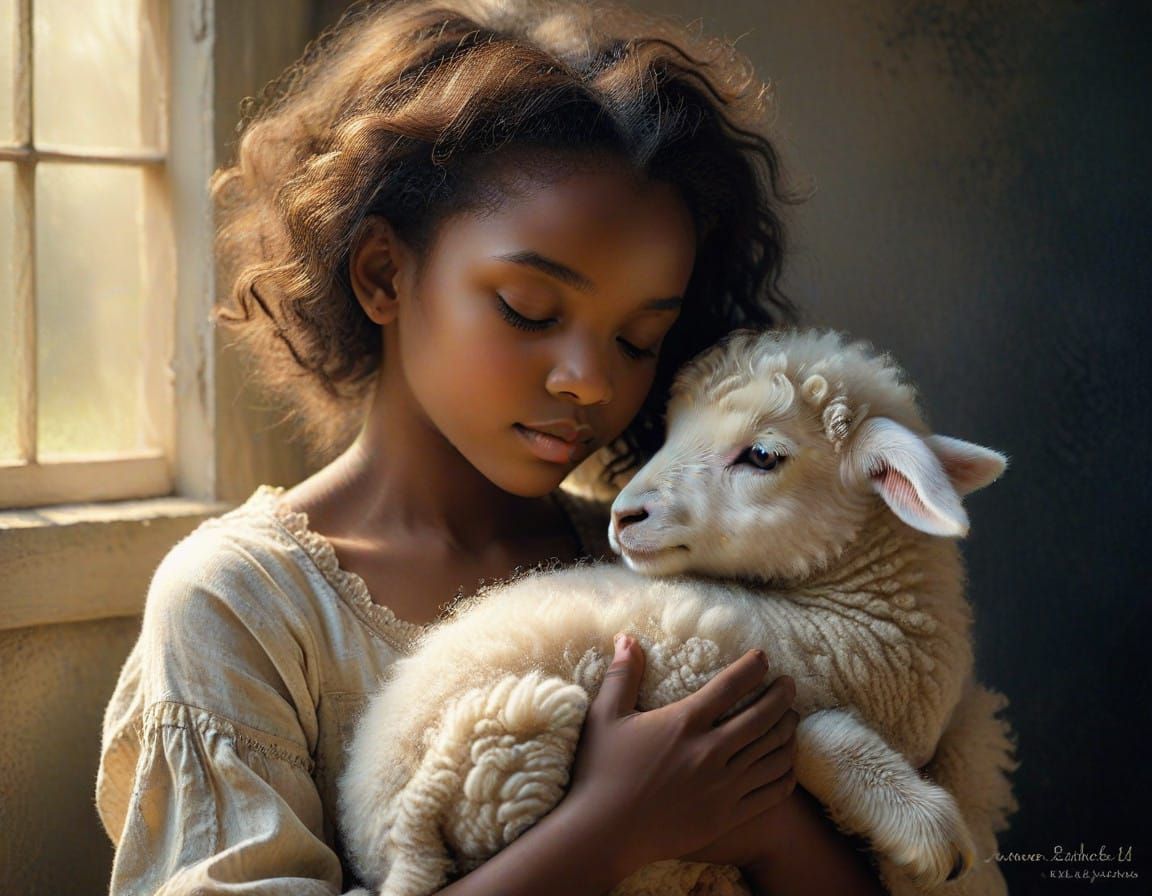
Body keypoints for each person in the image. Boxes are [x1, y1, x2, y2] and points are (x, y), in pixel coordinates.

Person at [97, 1, 889, 893]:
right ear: (383, 274)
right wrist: (609, 829)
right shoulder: (245, 607)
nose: (589, 380)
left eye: (637, 339)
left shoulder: (673, 569)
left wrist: (765, 815)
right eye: (530, 310)